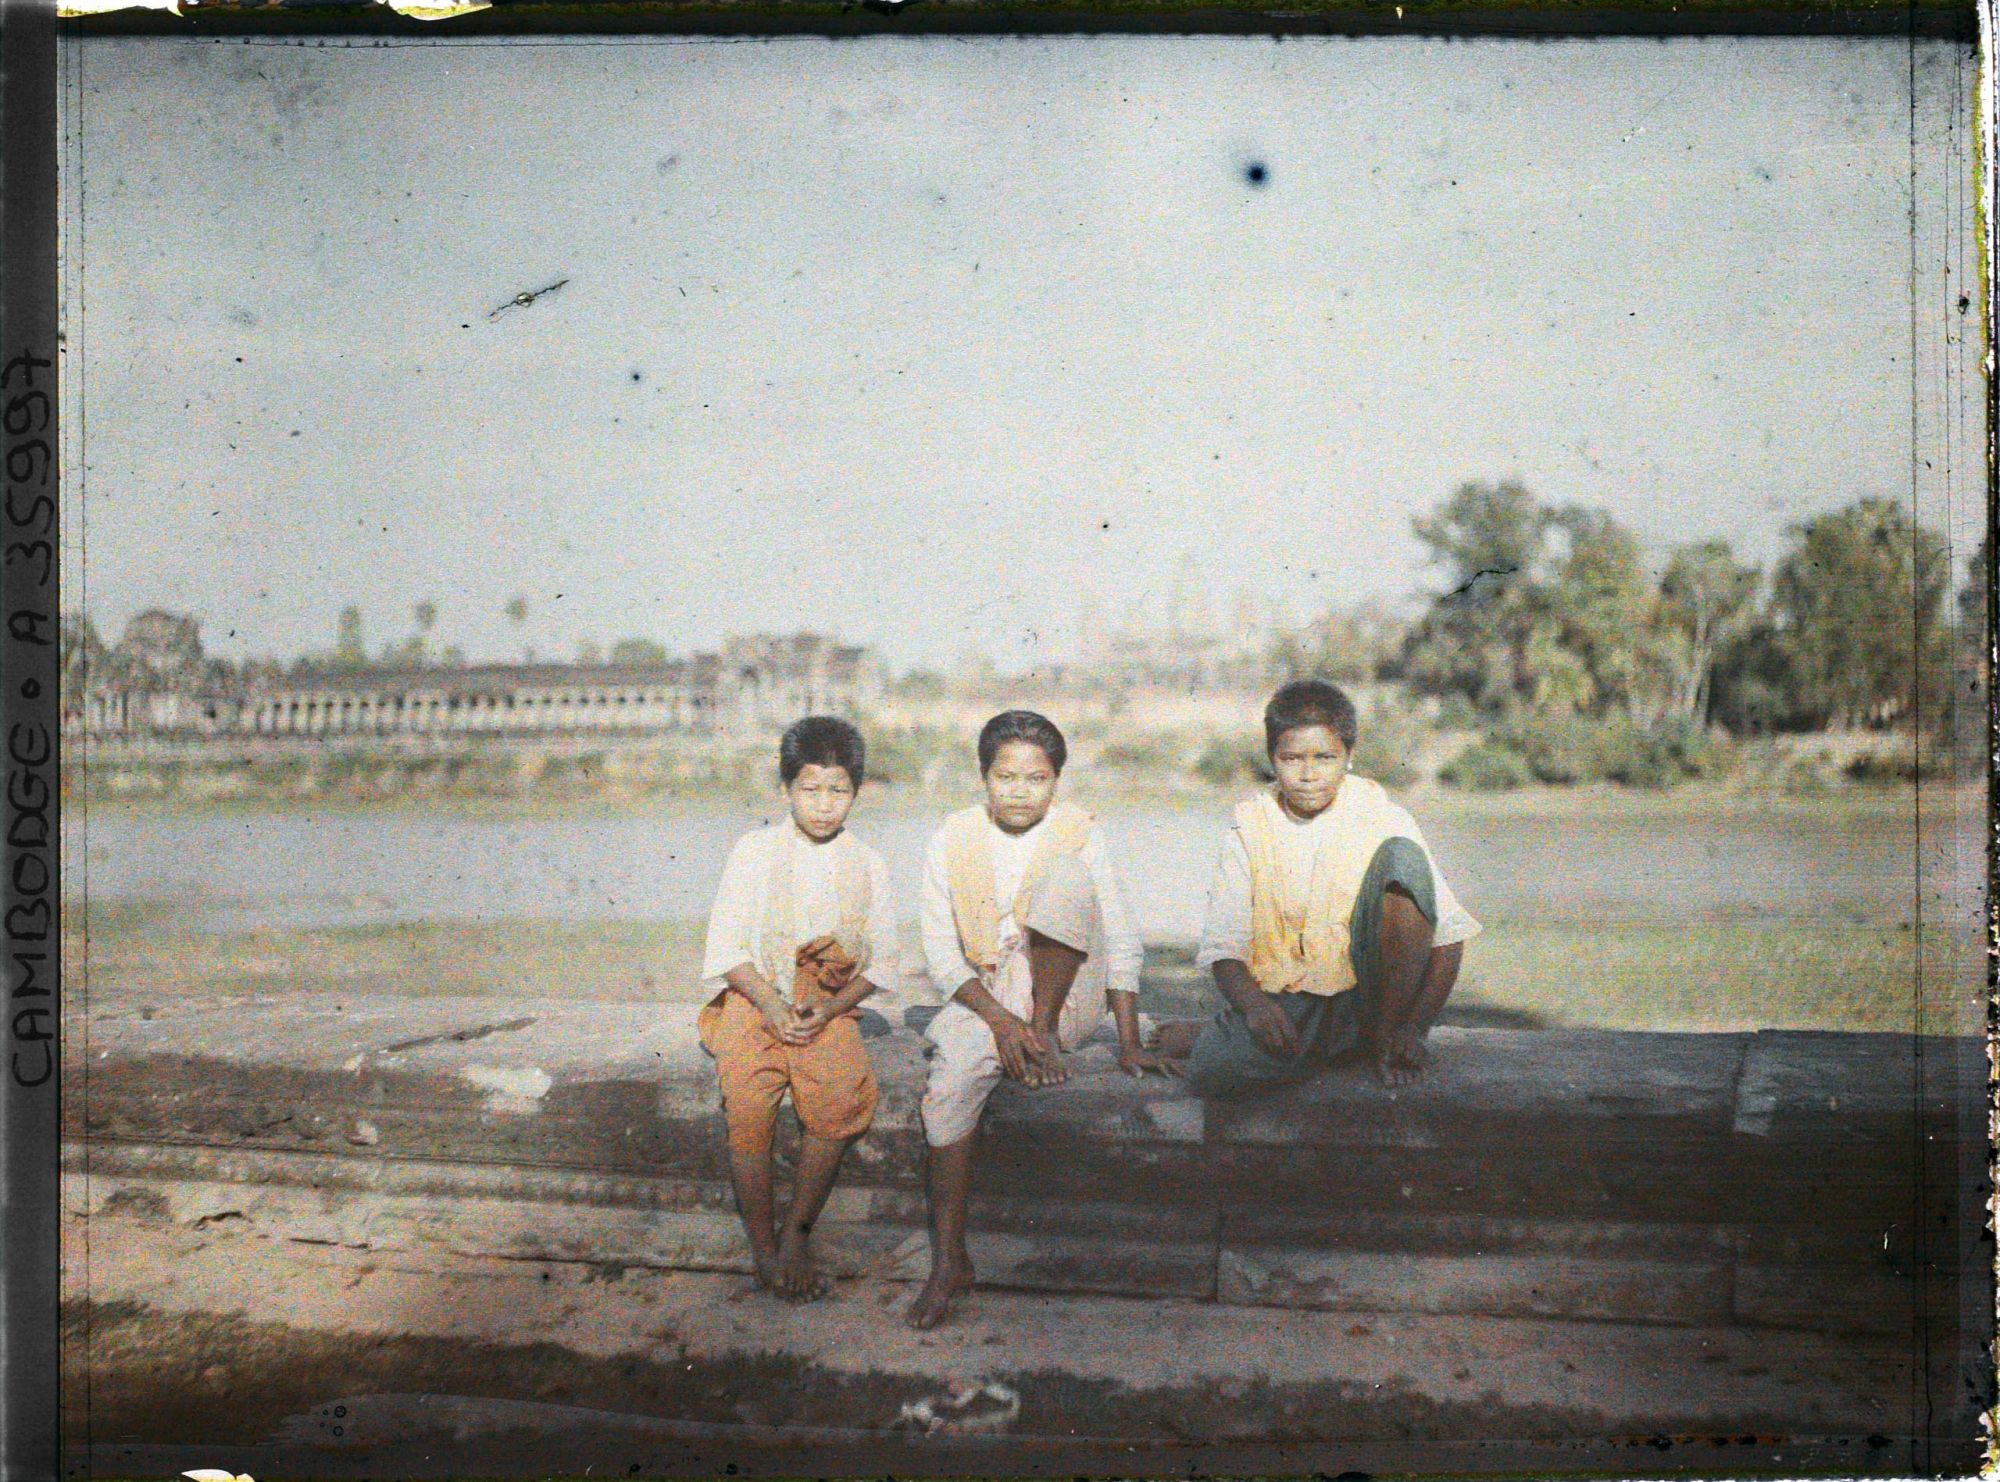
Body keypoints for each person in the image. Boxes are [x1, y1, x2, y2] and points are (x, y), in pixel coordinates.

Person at [906, 710, 1158, 1329]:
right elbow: (942, 956)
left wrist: (1126, 1041)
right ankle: (948, 1259)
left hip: (1066, 996)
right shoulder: (951, 839)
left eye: (1036, 778)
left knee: (1068, 880)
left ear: (1057, 781)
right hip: (988, 995)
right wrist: (1002, 1023)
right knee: (948, 1086)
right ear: (984, 776)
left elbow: (1121, 939)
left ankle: (1040, 1035)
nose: (1020, 790)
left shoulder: (1081, 835)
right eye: (1006, 776)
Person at [1153, 679, 1480, 1092]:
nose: (1308, 775)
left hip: (1373, 997)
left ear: (1349, 758)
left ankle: (1381, 1037)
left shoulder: (1384, 817)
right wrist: (1255, 1008)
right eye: (1292, 758)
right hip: (1293, 996)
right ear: (1272, 759)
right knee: (1212, 1071)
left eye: (1325, 757)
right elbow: (1225, 948)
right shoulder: (1251, 827)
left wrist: (1413, 1030)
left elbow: (1448, 938)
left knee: (1402, 857)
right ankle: (1300, 1042)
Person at [697, 716, 896, 1302]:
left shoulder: (869, 863)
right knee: (749, 1098)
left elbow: (883, 963)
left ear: (857, 793)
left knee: (838, 1096)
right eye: (810, 790)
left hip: (826, 1003)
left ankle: (795, 1236)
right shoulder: (754, 851)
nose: (824, 806)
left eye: (839, 791)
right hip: (755, 993)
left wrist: (831, 1008)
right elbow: (727, 950)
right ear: (787, 790)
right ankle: (761, 1246)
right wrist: (771, 1004)